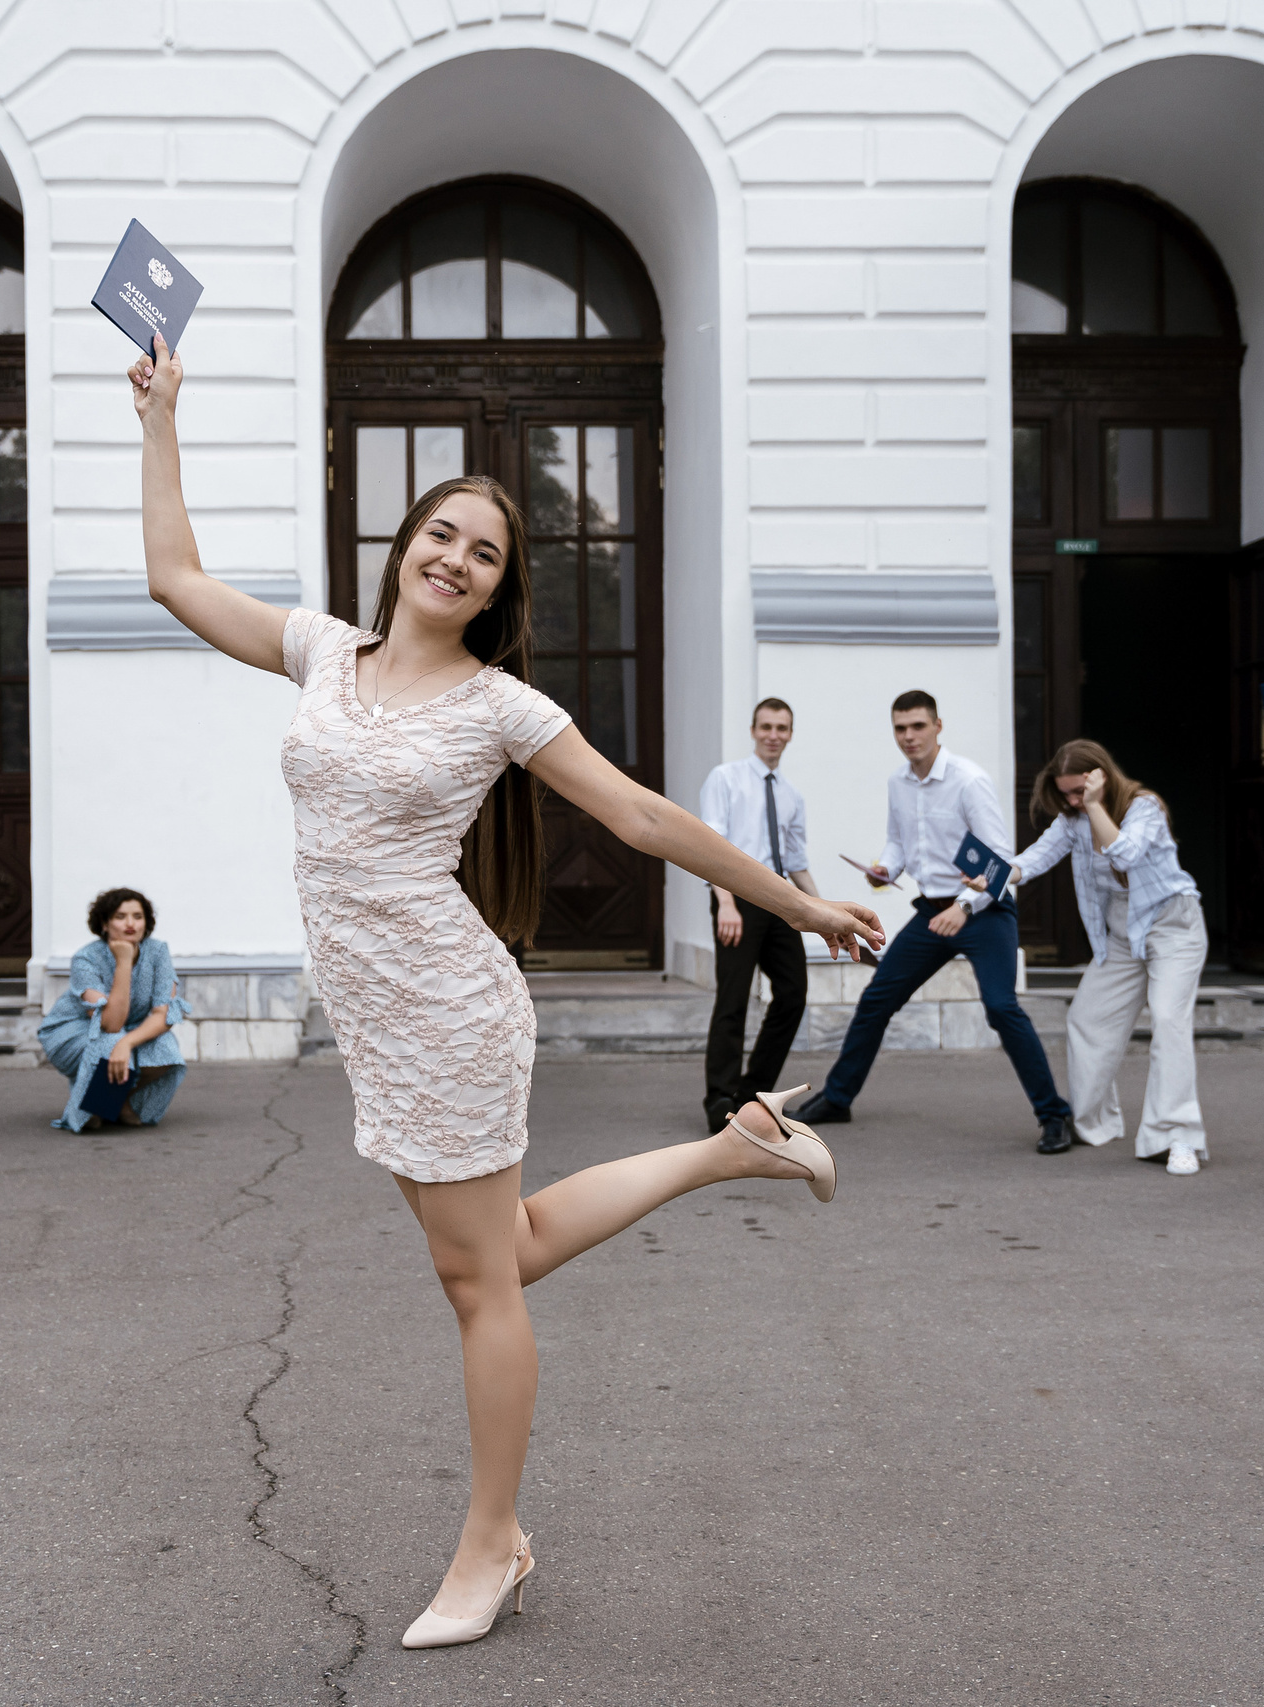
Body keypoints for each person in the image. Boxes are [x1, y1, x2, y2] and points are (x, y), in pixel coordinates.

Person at [133, 332, 884, 1650]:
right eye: (442, 533)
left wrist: (802, 903)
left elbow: (644, 817)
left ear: (496, 589)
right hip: (377, 1016)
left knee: (483, 1280)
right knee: (504, 1248)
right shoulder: (322, 651)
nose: (455, 558)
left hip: (448, 1005)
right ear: (404, 544)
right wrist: (160, 417)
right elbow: (174, 577)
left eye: (483, 553)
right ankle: (736, 1147)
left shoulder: (499, 706)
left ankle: (492, 1544)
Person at [791, 692, 1075, 1152]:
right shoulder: (898, 782)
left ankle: (1054, 1115)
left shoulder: (969, 780)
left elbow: (1000, 860)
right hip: (931, 911)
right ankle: (837, 1099)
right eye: (900, 728)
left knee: (1001, 1008)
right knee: (877, 999)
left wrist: (963, 907)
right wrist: (885, 869)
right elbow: (898, 843)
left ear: (938, 726)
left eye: (918, 726)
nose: (909, 736)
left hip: (982, 910)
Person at [991, 740, 1209, 1174]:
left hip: (1173, 925)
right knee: (1086, 1018)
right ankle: (1094, 1122)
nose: (1072, 801)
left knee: (1168, 1021)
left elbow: (1125, 853)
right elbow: (1035, 858)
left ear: (1100, 777)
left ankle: (1178, 1135)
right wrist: (991, 876)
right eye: (1066, 794)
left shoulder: (1144, 807)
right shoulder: (1073, 819)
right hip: (1123, 934)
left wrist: (1093, 806)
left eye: (1079, 791)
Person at [696, 698, 820, 1134]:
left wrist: (824, 913)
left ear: (790, 734)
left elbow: (797, 862)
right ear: (753, 730)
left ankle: (752, 1096)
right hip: (738, 899)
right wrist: (726, 904)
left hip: (779, 899)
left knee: (792, 994)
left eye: (781, 728)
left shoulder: (791, 795)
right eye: (766, 726)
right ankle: (720, 1098)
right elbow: (710, 847)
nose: (773, 735)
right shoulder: (725, 778)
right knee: (733, 999)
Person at [37, 887, 191, 1131]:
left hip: (125, 1030)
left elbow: (163, 1014)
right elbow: (110, 1023)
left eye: (137, 916)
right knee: (110, 1040)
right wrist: (124, 961)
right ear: (104, 924)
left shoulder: (158, 951)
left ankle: (114, 1102)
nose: (130, 923)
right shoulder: (86, 959)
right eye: (120, 917)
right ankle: (93, 1107)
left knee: (166, 1048)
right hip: (72, 1031)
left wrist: (127, 1043)